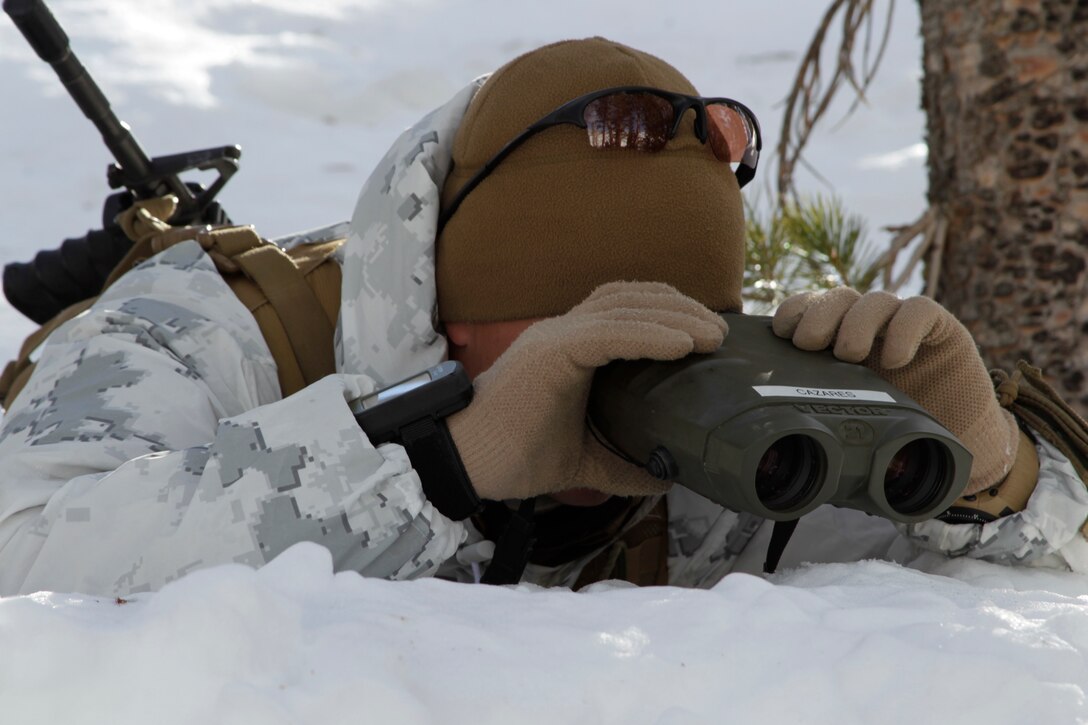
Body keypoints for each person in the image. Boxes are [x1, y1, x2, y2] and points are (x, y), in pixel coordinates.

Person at [0, 37, 1085, 597]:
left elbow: (1027, 605)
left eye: (662, 339)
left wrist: (991, 473)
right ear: (442, 319)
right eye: (574, 339)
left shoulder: (732, 424)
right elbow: (24, 555)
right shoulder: (207, 338)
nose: (620, 382)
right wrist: (439, 466)